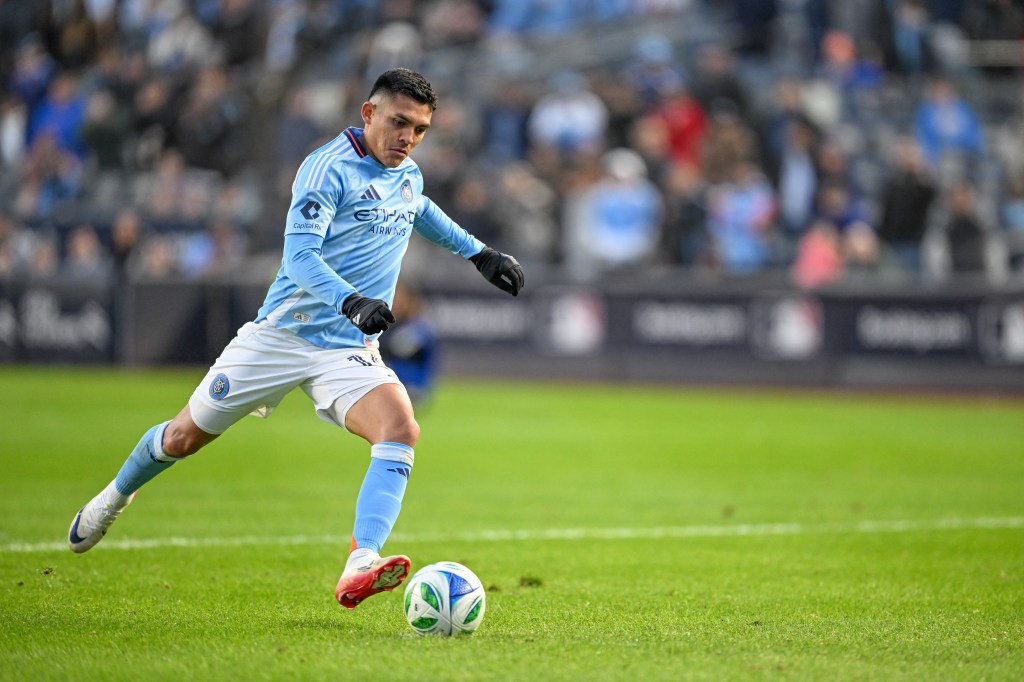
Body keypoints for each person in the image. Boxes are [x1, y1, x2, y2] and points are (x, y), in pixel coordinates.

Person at [66, 68, 525, 610]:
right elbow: (299, 258)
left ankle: (362, 562)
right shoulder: (325, 169)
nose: (408, 138)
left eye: (420, 130)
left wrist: (480, 253)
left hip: (345, 349)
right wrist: (351, 300)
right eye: (400, 123)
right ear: (369, 113)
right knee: (183, 438)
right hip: (281, 336)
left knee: (400, 426)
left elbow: (418, 209)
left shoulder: (408, 173)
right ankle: (114, 496)